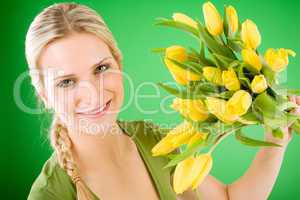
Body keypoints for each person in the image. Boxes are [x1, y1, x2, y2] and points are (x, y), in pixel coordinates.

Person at [25, 2, 300, 200]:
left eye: (101, 68)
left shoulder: (155, 141)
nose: (93, 93)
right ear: (44, 94)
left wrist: (276, 138)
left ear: (118, 63)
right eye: (66, 82)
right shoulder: (50, 194)